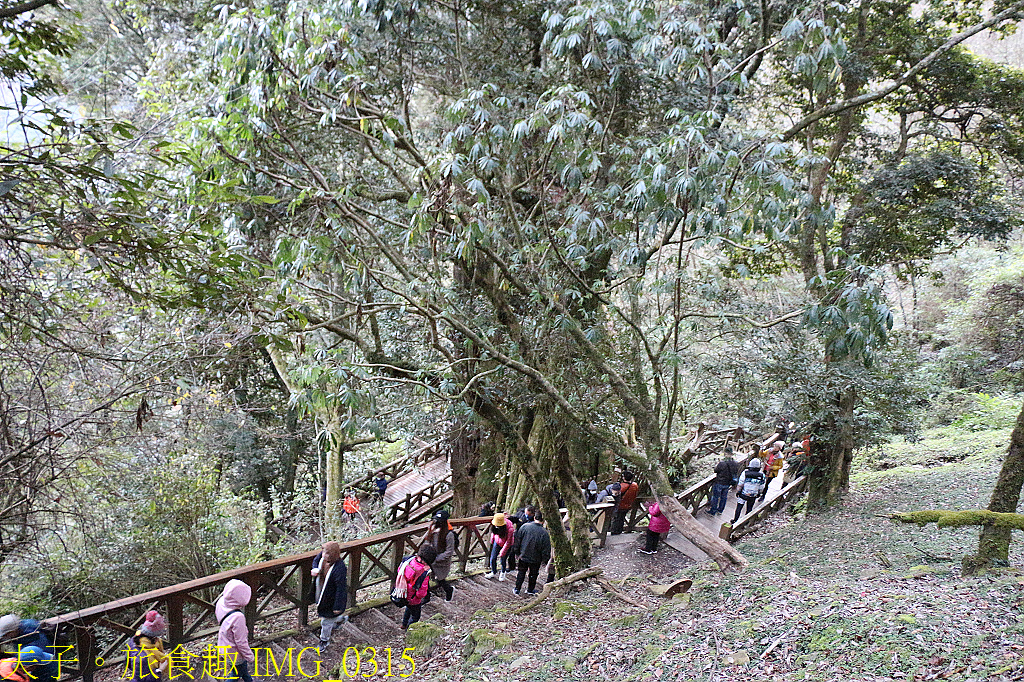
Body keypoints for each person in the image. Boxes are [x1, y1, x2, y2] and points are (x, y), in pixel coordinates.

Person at [309, 541, 348, 650]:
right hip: (321, 590)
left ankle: (324, 640)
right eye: (323, 552)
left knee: (326, 620)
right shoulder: (322, 557)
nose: (323, 555)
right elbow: (316, 560)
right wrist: (315, 568)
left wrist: (338, 606)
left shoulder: (339, 568)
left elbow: (341, 589)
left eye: (326, 553)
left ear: (332, 555)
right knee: (328, 617)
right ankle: (340, 619)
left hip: (331, 597)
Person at [215, 579, 255, 682]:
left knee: (241, 670)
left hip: (224, 645)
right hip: (235, 652)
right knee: (236, 675)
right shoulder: (238, 617)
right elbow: (241, 642)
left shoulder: (221, 602)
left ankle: (248, 680)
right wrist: (250, 656)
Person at [395, 545, 437, 629]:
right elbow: (422, 592)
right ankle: (409, 630)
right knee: (415, 616)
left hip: (403, 593)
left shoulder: (408, 560)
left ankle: (404, 624)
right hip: (414, 598)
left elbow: (399, 570)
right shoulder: (424, 572)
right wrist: (419, 597)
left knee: (408, 607)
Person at [421, 509, 457, 601]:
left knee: (440, 580)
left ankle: (449, 590)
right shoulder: (432, 530)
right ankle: (426, 596)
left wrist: (436, 559)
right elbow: (427, 542)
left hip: (441, 561)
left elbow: (449, 552)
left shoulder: (449, 535)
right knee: (424, 576)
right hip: (430, 559)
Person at [512, 512, 551, 595]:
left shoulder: (525, 527)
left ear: (534, 518)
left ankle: (517, 589)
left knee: (521, 572)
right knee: (533, 574)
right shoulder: (544, 533)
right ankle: (530, 589)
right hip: (536, 557)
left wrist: (517, 552)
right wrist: (545, 559)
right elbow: (546, 548)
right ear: (543, 521)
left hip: (523, 554)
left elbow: (517, 540)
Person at [128, 610, 170, 681]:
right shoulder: (142, 657)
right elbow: (140, 680)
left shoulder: (134, 639)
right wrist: (159, 670)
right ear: (153, 637)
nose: (158, 639)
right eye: (157, 636)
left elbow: (128, 662)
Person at [709, 448, 741, 515]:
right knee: (724, 497)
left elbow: (716, 470)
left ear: (726, 454)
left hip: (719, 482)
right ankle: (720, 510)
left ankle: (713, 511)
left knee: (715, 497)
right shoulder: (735, 463)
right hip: (728, 483)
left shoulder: (722, 463)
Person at [732, 458, 766, 523]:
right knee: (749, 508)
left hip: (743, 494)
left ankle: (735, 520)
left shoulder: (745, 473)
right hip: (753, 495)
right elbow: (762, 486)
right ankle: (746, 521)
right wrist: (759, 493)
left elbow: (740, 484)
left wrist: (738, 491)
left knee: (739, 507)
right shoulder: (762, 475)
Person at [484, 513, 515, 581]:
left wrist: (503, 551)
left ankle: (503, 572)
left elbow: (508, 542)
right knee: (493, 558)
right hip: (497, 541)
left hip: (507, 544)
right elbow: (493, 533)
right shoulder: (494, 525)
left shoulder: (510, 528)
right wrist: (492, 539)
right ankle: (493, 571)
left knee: (503, 559)